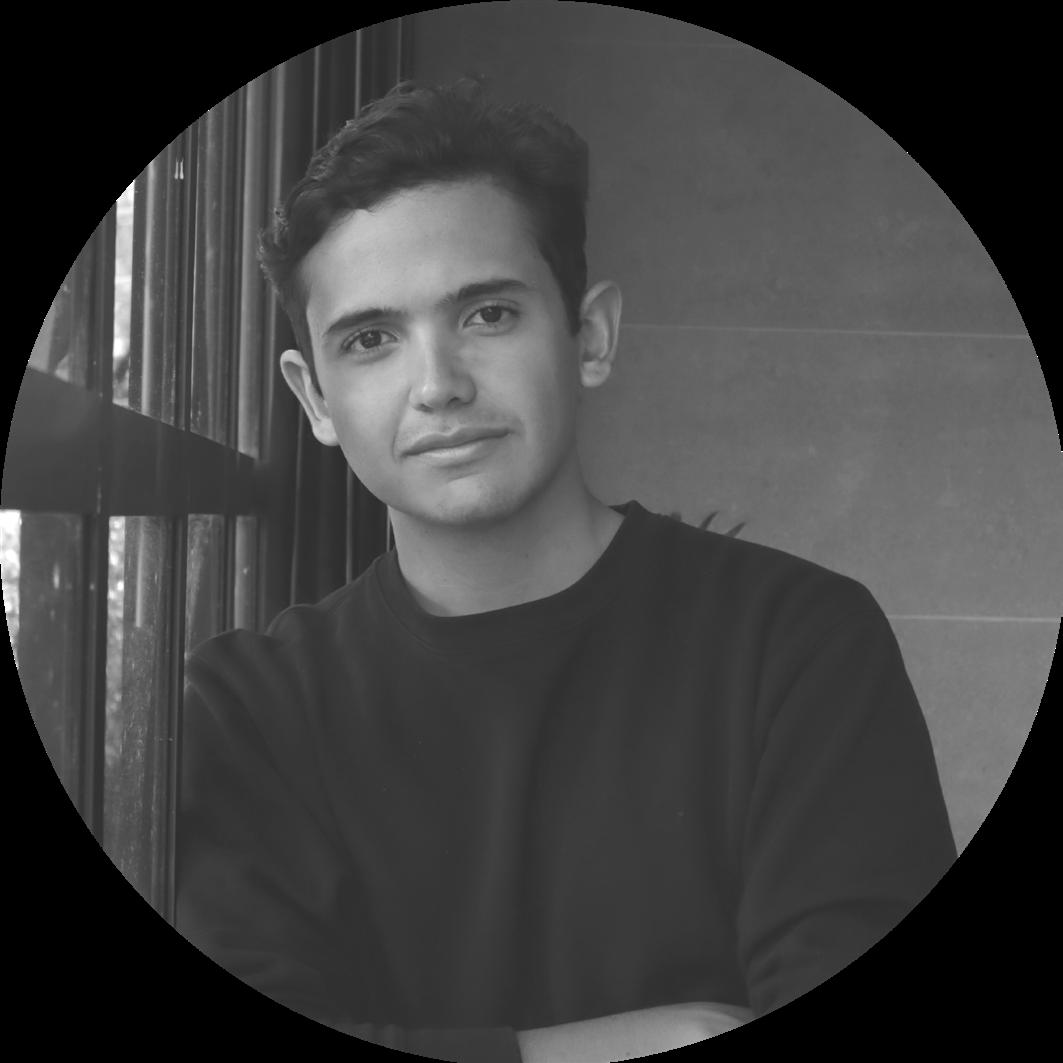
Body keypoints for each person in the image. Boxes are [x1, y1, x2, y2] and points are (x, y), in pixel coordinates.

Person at [175, 79, 957, 1062]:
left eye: (487, 314)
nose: (438, 385)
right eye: (371, 340)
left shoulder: (797, 644)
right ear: (316, 400)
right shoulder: (245, 708)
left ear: (590, 335)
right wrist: (608, 1043)